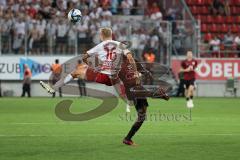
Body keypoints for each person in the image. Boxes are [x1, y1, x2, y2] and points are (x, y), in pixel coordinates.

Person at [118, 55, 169, 145]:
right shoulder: (118, 65)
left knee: (142, 116)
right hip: (131, 89)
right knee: (146, 93)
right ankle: (160, 95)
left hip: (138, 87)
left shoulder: (134, 60)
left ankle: (127, 139)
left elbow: (144, 71)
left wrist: (146, 73)